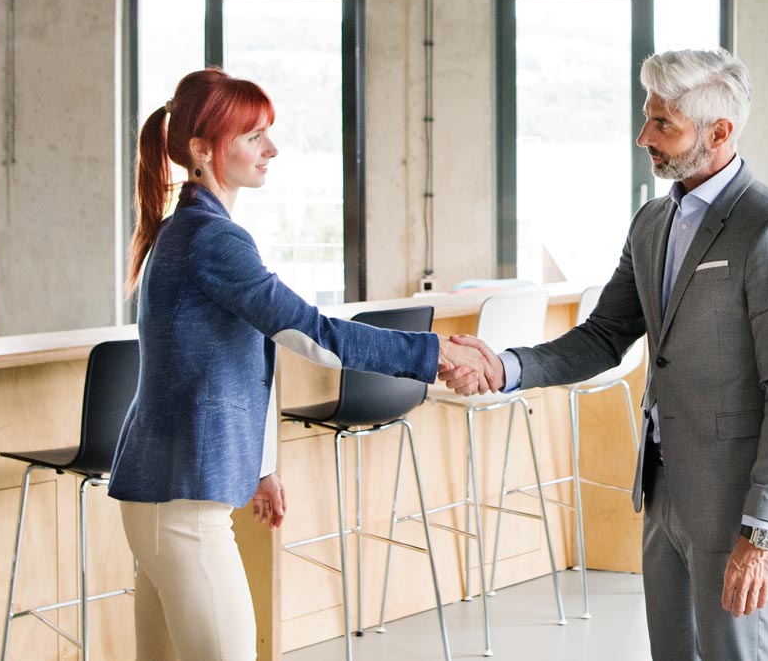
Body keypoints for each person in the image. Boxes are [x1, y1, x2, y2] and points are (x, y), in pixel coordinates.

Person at [445, 48, 768, 661]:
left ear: (719, 132)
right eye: (647, 117)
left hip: (735, 506)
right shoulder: (652, 222)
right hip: (661, 489)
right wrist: (506, 366)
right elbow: (603, 336)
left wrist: (761, 531)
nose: (643, 136)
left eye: (662, 124)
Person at [109, 67, 493, 660]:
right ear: (202, 150)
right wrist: (434, 351)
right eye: (253, 136)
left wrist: (261, 467)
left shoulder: (196, 230)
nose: (271, 149)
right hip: (182, 505)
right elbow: (309, 333)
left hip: (171, 497)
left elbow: (232, 362)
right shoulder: (211, 239)